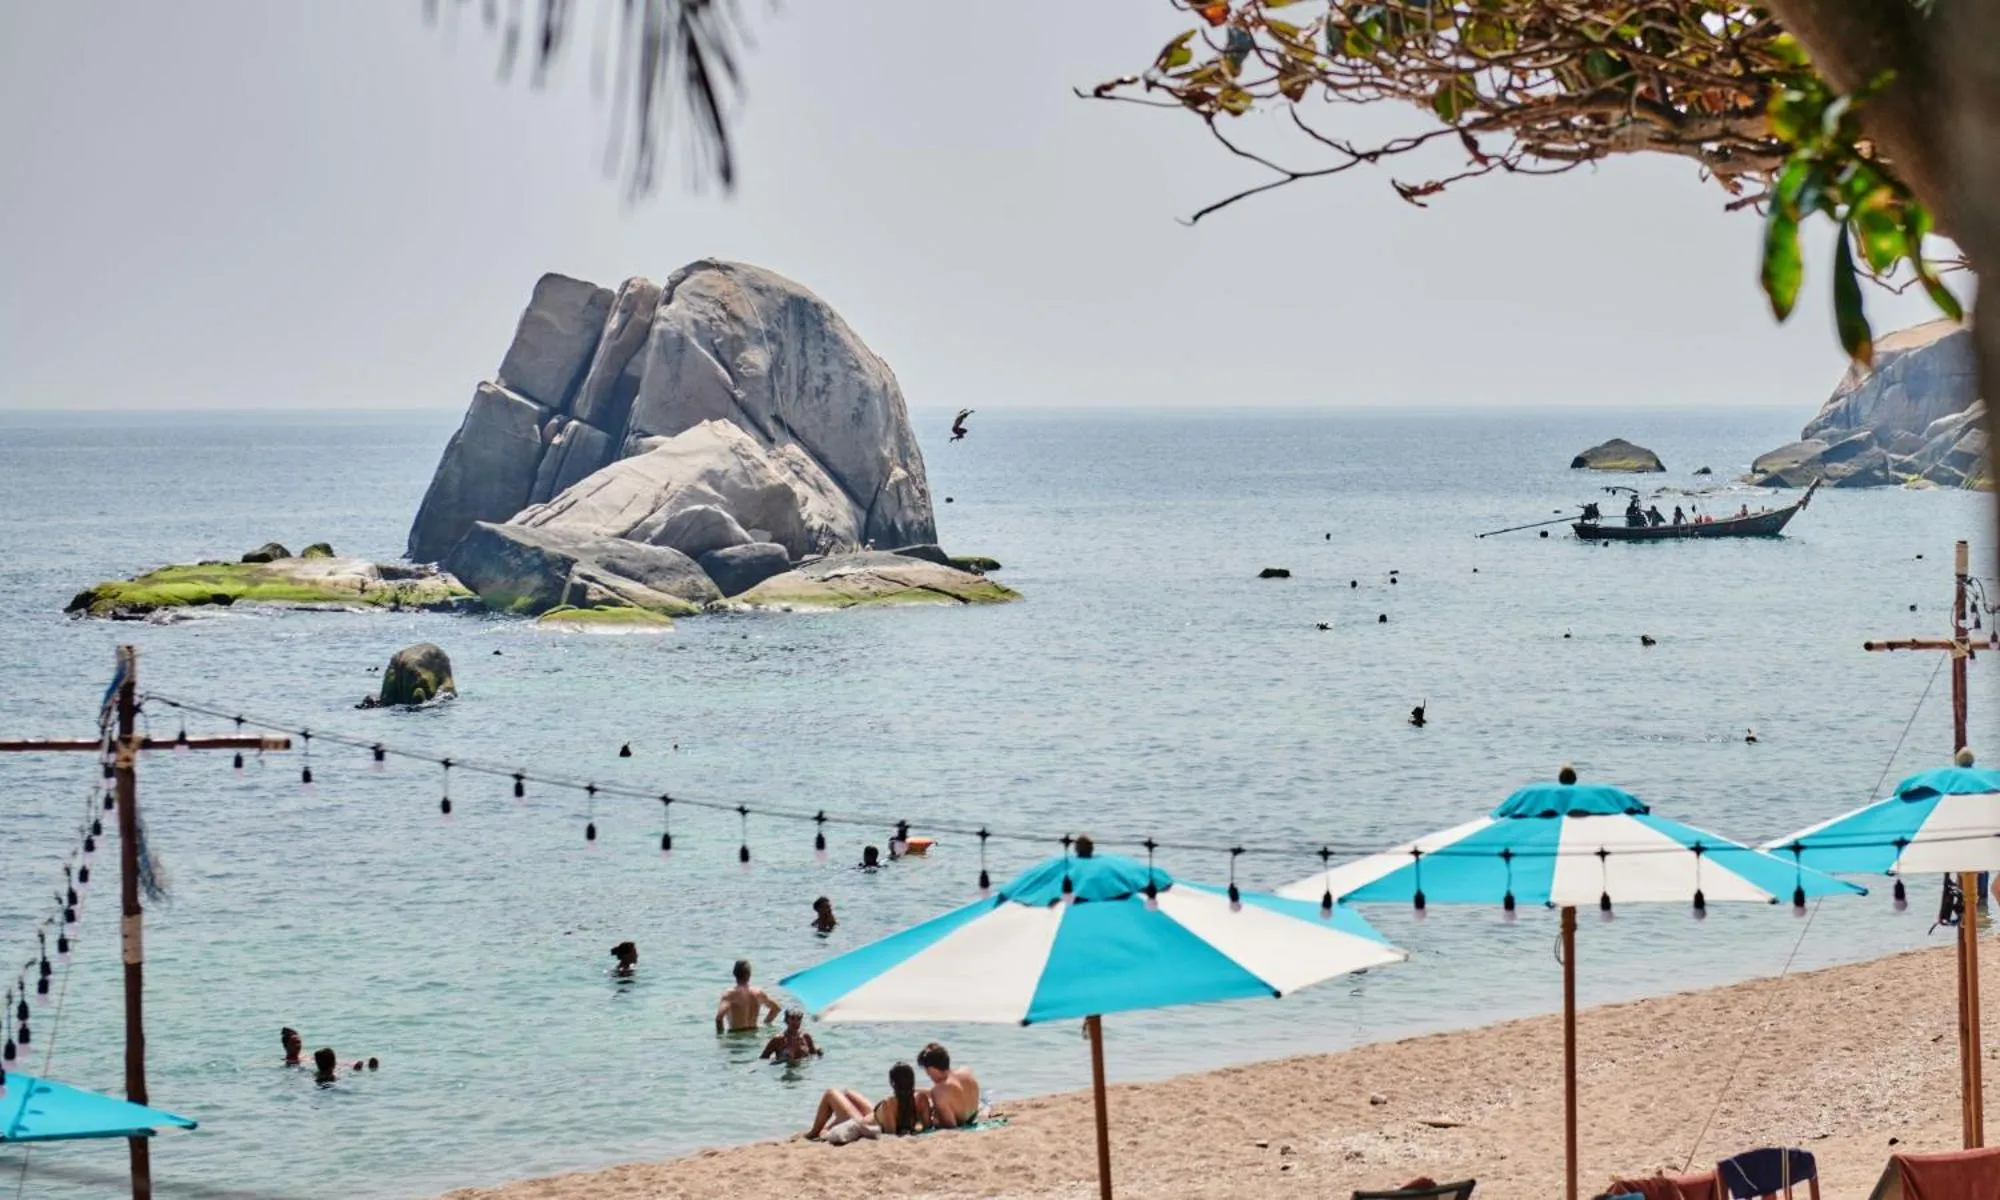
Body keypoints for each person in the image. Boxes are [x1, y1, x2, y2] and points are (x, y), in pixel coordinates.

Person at [805, 1061, 928, 1142]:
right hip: (874, 1116)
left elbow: (890, 1134)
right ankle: (834, 1123)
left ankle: (813, 1133)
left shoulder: (889, 1104)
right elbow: (926, 1126)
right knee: (848, 1093)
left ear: (892, 1084)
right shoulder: (920, 1098)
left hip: (860, 1121)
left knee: (830, 1093)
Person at [917, 1041, 982, 1129]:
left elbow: (950, 1126)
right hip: (972, 1116)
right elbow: (955, 1093)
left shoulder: (938, 1091)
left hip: (961, 1122)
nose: (927, 1074)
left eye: (927, 1070)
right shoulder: (966, 1071)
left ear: (931, 1069)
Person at [716, 959, 781, 1033]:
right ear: (749, 974)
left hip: (737, 1037)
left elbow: (719, 1018)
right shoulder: (758, 993)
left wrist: (720, 1037)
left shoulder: (730, 995)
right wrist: (766, 1023)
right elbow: (776, 1008)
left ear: (734, 974)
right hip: (754, 1034)